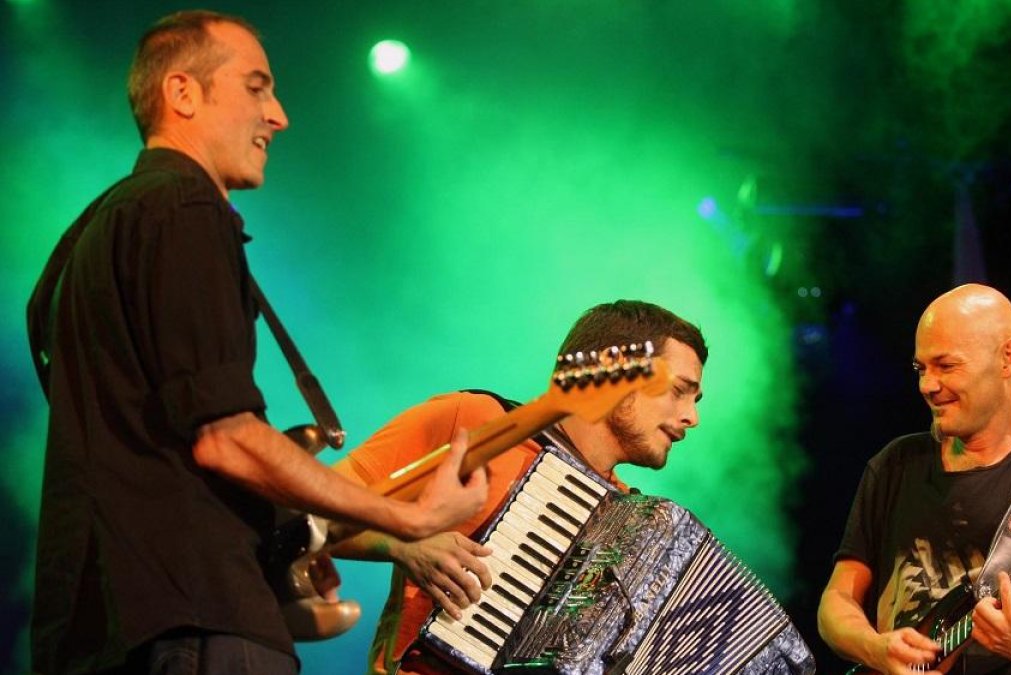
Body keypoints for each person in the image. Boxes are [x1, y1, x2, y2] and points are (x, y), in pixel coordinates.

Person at [26, 11, 487, 675]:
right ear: (182, 93)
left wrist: (281, 536)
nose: (279, 115)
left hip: (100, 625)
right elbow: (226, 438)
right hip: (196, 620)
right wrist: (407, 519)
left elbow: (153, 446)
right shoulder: (185, 208)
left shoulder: (88, 238)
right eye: (256, 87)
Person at [327, 300, 707, 675]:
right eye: (679, 390)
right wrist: (403, 543)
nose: (692, 417)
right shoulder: (479, 423)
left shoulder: (630, 525)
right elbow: (311, 513)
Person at [816, 283, 1011, 675]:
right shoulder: (895, 464)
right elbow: (836, 603)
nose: (927, 385)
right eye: (920, 368)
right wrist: (874, 648)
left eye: (946, 366)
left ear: (1008, 358)